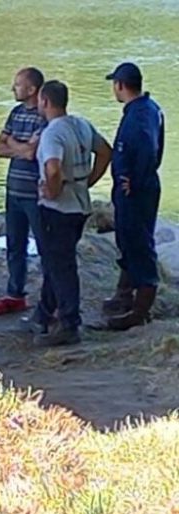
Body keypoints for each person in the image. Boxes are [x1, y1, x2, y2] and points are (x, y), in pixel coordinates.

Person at [32, 80, 112, 346]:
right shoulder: (81, 124)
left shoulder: (52, 133)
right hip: (80, 204)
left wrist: (53, 192)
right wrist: (87, 180)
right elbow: (105, 152)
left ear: (45, 101)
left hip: (58, 208)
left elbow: (53, 169)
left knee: (61, 266)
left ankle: (69, 323)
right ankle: (43, 314)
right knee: (55, 263)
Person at [103, 62, 166, 330]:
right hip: (142, 187)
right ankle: (125, 295)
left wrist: (135, 181)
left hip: (137, 192)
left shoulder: (139, 115)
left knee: (138, 242)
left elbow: (148, 149)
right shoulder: (149, 109)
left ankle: (140, 312)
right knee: (128, 240)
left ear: (120, 85)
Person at [0, 67, 47, 317]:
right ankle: (15, 294)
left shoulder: (44, 117)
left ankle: (49, 297)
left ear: (32, 89)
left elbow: (31, 153)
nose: (13, 88)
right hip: (13, 189)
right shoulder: (15, 113)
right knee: (15, 243)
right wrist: (19, 147)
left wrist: (13, 143)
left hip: (36, 193)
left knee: (45, 246)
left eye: (18, 85)